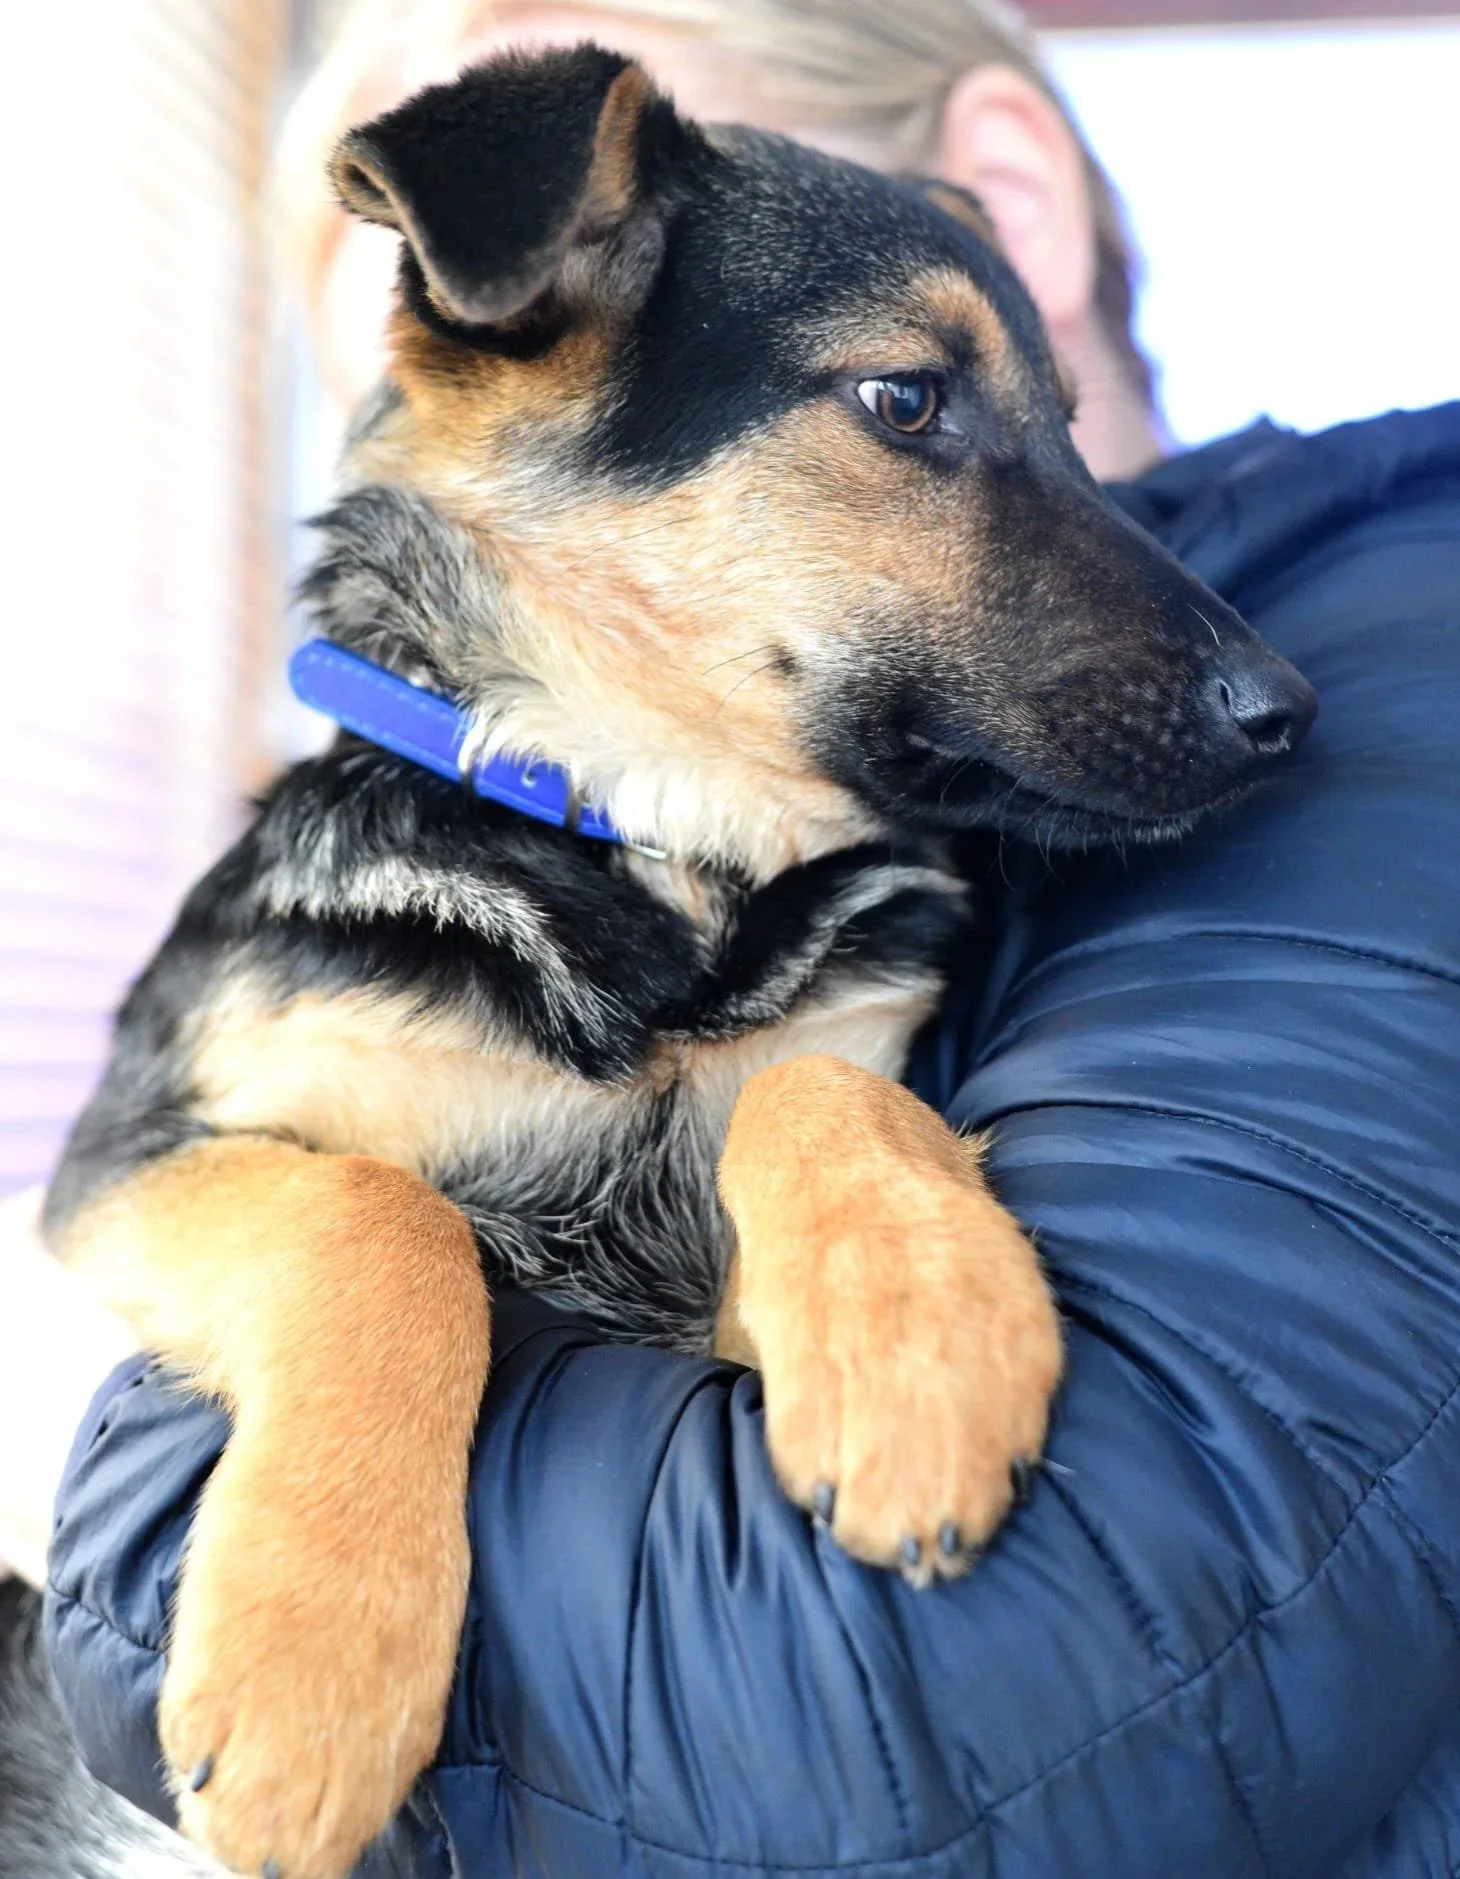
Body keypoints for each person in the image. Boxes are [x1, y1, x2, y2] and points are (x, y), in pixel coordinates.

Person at [19, 3, 1460, 1875]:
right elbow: (149, 1204)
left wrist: (832, 1144)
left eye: (908, 404)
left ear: (1003, 204)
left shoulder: (1395, 641)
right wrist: (353, 1292)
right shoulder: (687, 819)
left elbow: (1013, 1680)